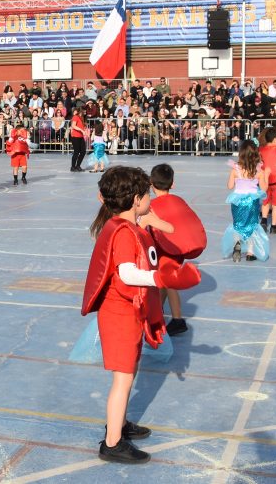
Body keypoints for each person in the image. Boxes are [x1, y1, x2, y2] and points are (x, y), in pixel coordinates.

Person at [80, 166, 200, 464]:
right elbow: (127, 274)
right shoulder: (122, 232)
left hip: (128, 310)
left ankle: (119, 424)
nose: (150, 198)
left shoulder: (128, 223)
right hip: (119, 313)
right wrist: (163, 279)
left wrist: (155, 222)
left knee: (130, 371)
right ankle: (112, 442)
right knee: (123, 378)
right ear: (135, 199)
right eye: (146, 194)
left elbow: (166, 235)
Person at [146, 164, 206, 336]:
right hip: (178, 247)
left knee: (169, 281)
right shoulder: (178, 201)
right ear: (172, 184)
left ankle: (178, 319)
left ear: (151, 183)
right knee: (163, 282)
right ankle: (156, 313)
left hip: (164, 249)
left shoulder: (151, 206)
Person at [223, 140, 271, 262]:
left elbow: (229, 186)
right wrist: (266, 175)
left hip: (237, 201)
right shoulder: (258, 171)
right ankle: (250, 252)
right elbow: (264, 188)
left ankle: (237, 244)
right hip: (252, 201)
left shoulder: (235, 170)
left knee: (237, 224)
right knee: (252, 224)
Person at [259, 127, 276, 234]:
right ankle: (274, 226)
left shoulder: (260, 149)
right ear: (275, 140)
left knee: (265, 201)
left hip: (264, 178)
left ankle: (264, 221)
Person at [7, 121, 32, 185]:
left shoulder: (24, 137)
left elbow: (28, 143)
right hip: (15, 154)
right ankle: (15, 179)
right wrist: (12, 137)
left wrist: (29, 148)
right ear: (17, 130)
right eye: (21, 130)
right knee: (16, 167)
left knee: (24, 167)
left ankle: (23, 177)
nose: (23, 131)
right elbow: (9, 143)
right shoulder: (13, 137)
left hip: (22, 154)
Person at [70, 107, 88, 172]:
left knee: (83, 151)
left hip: (80, 136)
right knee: (76, 152)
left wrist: (84, 129)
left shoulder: (82, 118)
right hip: (75, 136)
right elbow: (73, 125)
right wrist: (81, 130)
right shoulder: (75, 117)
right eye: (84, 111)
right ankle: (73, 167)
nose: (85, 112)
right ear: (81, 111)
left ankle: (78, 166)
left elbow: (82, 126)